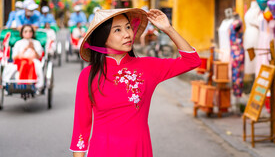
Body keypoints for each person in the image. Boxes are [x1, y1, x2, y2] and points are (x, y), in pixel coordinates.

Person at [70, 8, 201, 157]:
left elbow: (192, 61)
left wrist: (168, 29)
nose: (127, 34)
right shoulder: (88, 76)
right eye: (117, 30)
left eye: (128, 27)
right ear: (103, 38)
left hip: (139, 150)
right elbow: (81, 128)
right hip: (102, 151)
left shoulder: (148, 67)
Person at [12, 24, 44, 90]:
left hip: (33, 61)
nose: (28, 33)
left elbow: (38, 56)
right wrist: (25, 49)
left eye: (30, 31)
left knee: (37, 65)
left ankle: (37, 85)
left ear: (32, 33)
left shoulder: (36, 43)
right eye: (25, 31)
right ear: (22, 33)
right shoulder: (18, 43)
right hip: (20, 61)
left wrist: (33, 48)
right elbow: (14, 57)